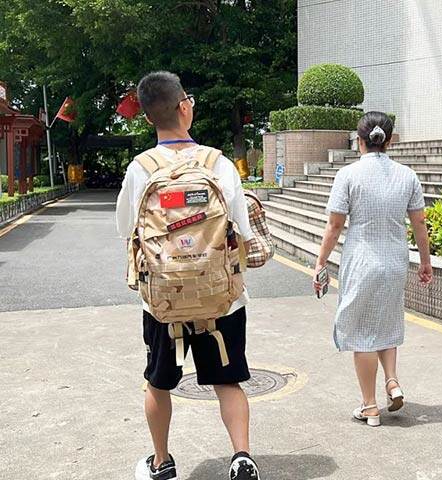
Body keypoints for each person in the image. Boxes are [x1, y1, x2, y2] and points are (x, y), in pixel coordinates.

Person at [116, 71, 260, 480]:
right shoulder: (218, 163)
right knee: (228, 381)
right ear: (184, 107)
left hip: (163, 301)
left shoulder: (140, 168)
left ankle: (162, 463)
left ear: (148, 119)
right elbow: (242, 232)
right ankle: (242, 458)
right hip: (222, 298)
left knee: (158, 384)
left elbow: (125, 228)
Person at [313, 111, 433, 427]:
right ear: (389, 140)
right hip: (395, 261)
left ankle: (369, 406)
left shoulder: (348, 175)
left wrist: (321, 260)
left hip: (362, 262)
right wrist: (425, 261)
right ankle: (392, 380)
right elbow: (419, 222)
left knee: (361, 333)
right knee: (387, 320)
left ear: (359, 140)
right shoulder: (407, 175)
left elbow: (335, 224)